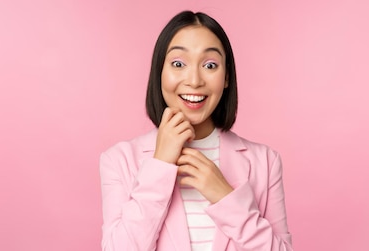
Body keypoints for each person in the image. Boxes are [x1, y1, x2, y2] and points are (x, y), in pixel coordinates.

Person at [99, 11, 293, 251]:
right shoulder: (118, 160)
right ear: (159, 72)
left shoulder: (266, 161)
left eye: (210, 65)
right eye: (178, 64)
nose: (194, 80)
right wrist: (159, 166)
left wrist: (226, 199)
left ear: (226, 77)